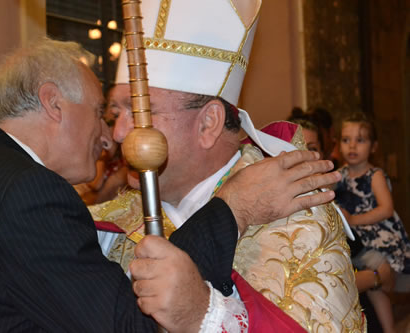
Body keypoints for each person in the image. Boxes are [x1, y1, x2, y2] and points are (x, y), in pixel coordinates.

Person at [0, 37, 283, 332]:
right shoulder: (27, 193)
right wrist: (231, 210)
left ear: (209, 123)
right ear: (53, 103)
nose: (111, 138)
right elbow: (129, 325)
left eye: (136, 113)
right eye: (100, 113)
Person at [90, 0, 364, 331]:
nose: (119, 133)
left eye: (142, 112)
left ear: (209, 124)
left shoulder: (300, 217)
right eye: (116, 113)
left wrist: (202, 315)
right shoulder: (102, 229)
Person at [335, 111, 410, 333]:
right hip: (356, 241)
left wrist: (354, 219)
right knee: (371, 292)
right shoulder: (339, 175)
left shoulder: (374, 175)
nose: (352, 146)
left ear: (374, 146)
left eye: (360, 140)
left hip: (378, 239)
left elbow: (386, 209)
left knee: (379, 288)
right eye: (346, 140)